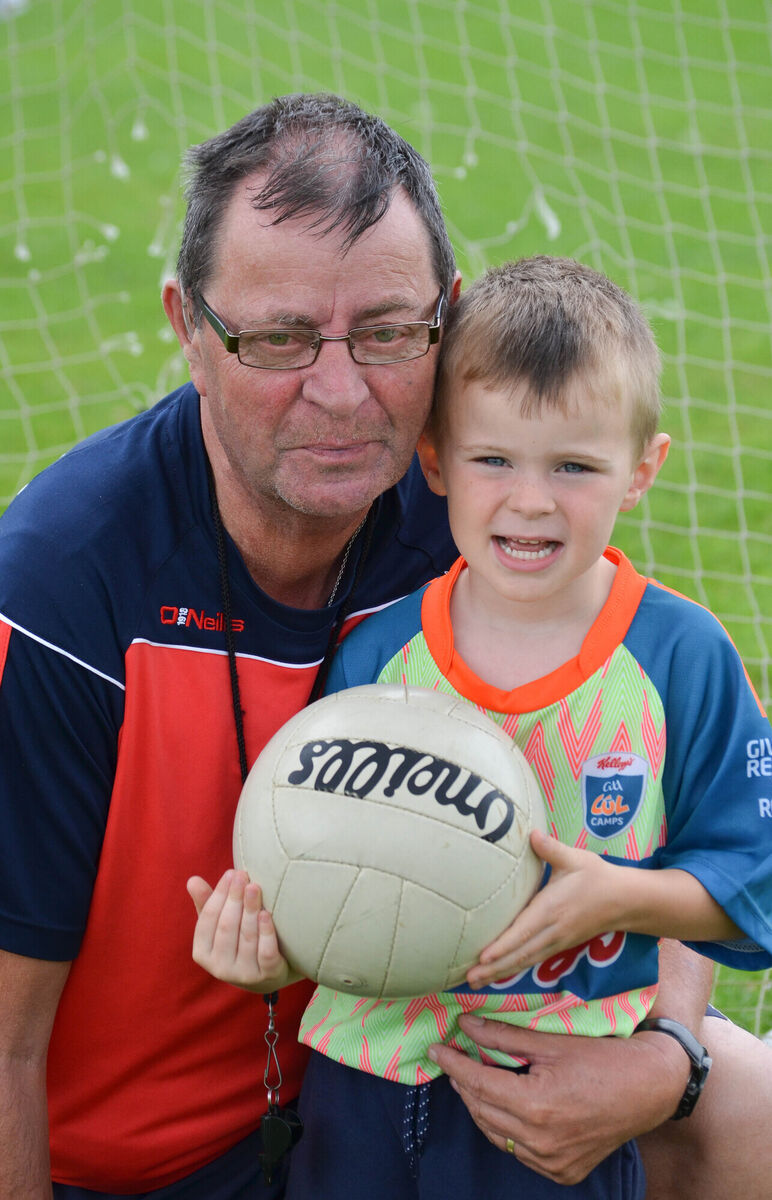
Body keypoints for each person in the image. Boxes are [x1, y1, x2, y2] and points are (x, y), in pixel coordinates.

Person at [0, 92, 768, 1200]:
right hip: (129, 1167)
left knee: (747, 1104)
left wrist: (669, 1057)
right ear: (187, 327)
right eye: (276, 337)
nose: (341, 390)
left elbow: (673, 780)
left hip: (395, 1082)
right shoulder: (58, 595)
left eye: (388, 332)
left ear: (445, 321)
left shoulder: (481, 517)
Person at [190, 257, 772, 1199]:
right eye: (493, 459)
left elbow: (749, 874)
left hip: (560, 1097)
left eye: (575, 466)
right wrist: (271, 945)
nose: (531, 500)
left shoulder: (679, 656)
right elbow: (329, 867)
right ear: (434, 461)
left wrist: (625, 898)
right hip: (362, 1083)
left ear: (643, 470)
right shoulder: (380, 654)